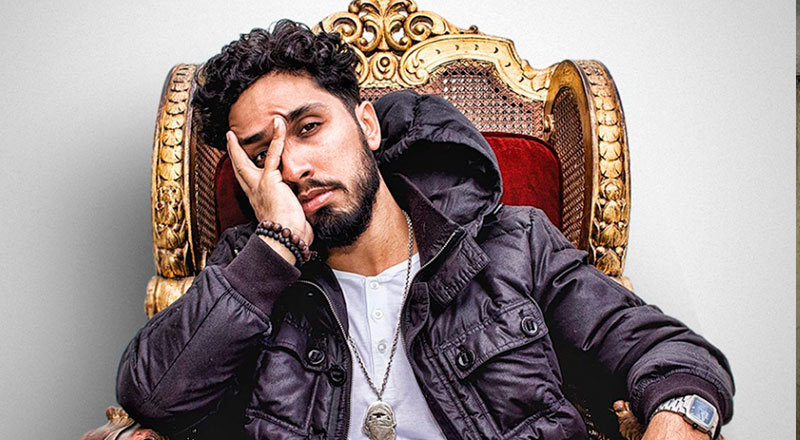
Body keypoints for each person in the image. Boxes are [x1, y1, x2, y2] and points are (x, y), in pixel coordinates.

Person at [116, 20, 734, 440]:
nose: (294, 166)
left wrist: (679, 416)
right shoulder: (245, 274)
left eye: (308, 127)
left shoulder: (512, 245)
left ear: (367, 125)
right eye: (262, 154)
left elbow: (670, 354)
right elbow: (151, 399)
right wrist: (272, 252)